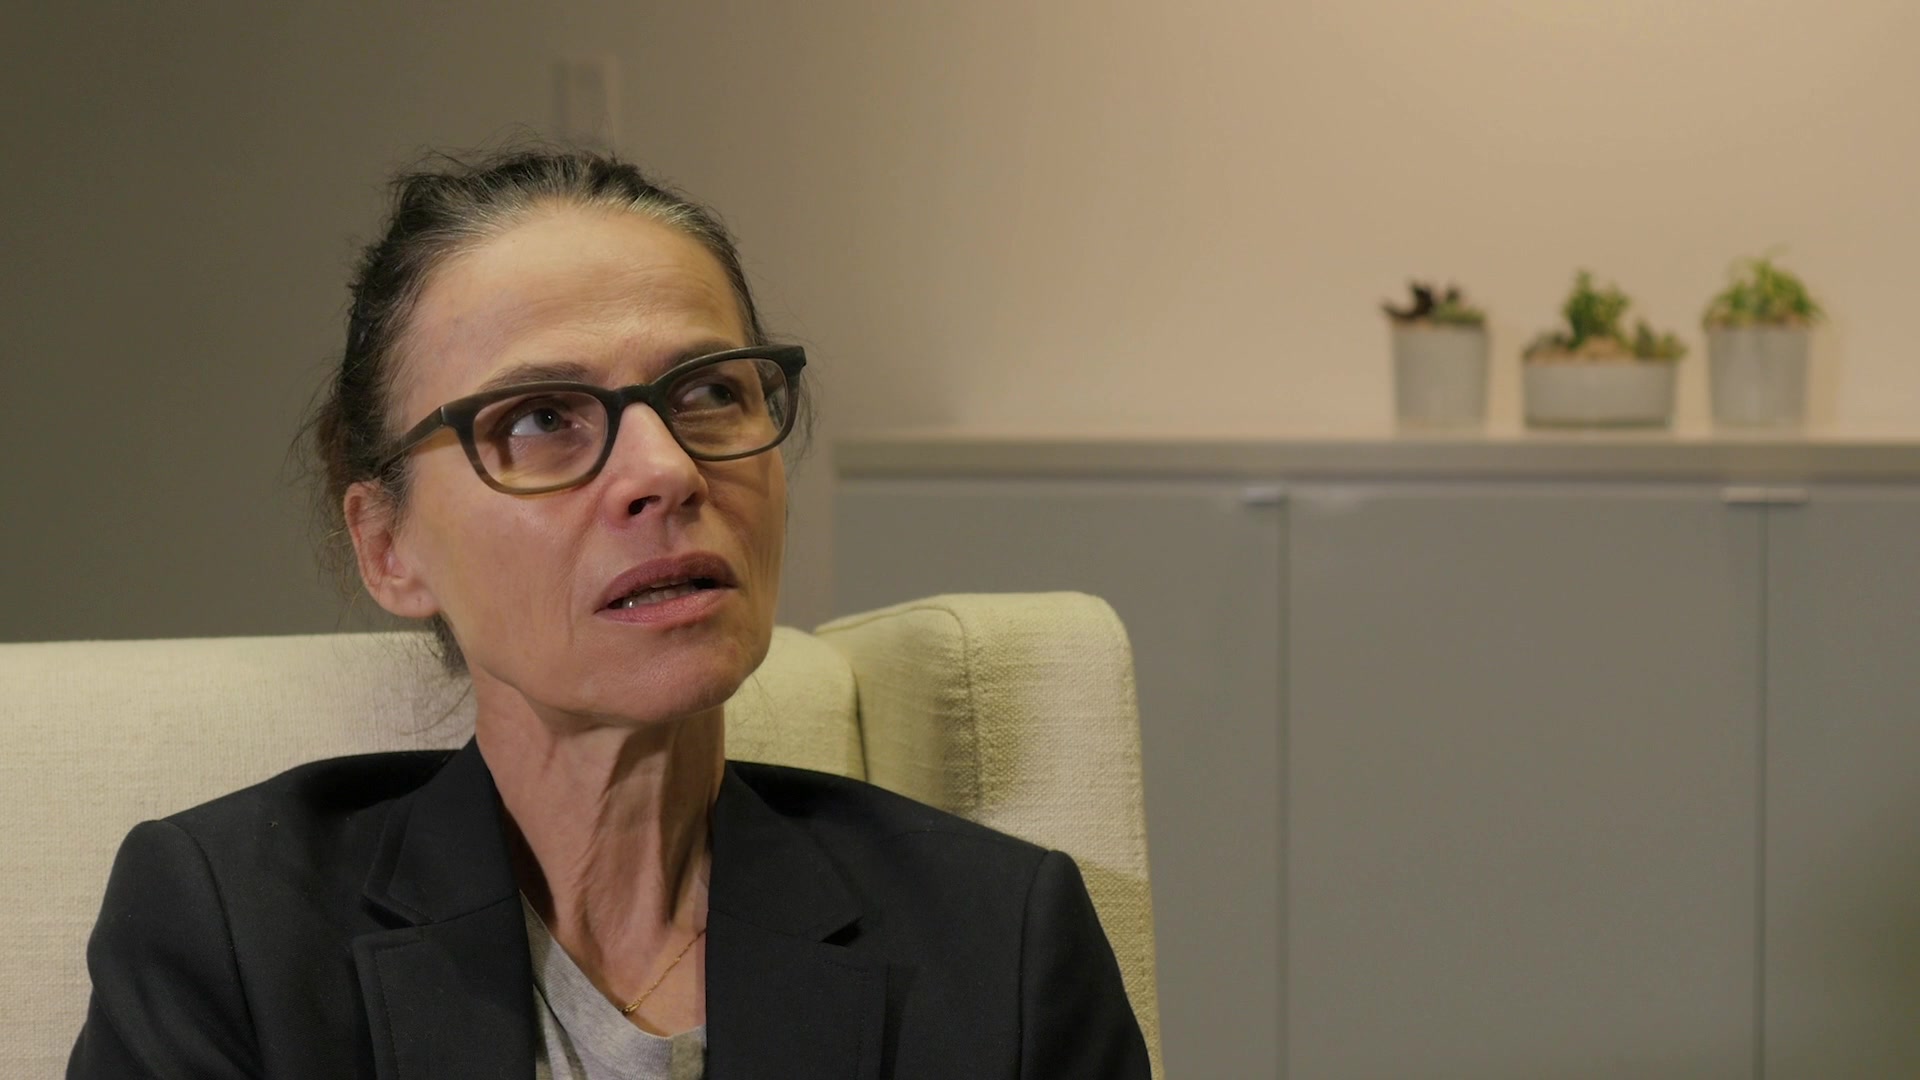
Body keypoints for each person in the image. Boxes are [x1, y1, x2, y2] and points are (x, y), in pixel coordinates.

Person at [65, 149, 1150, 1079]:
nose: (666, 471)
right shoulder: (235, 931)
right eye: (541, 418)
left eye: (710, 393)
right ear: (389, 547)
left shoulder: (1000, 942)